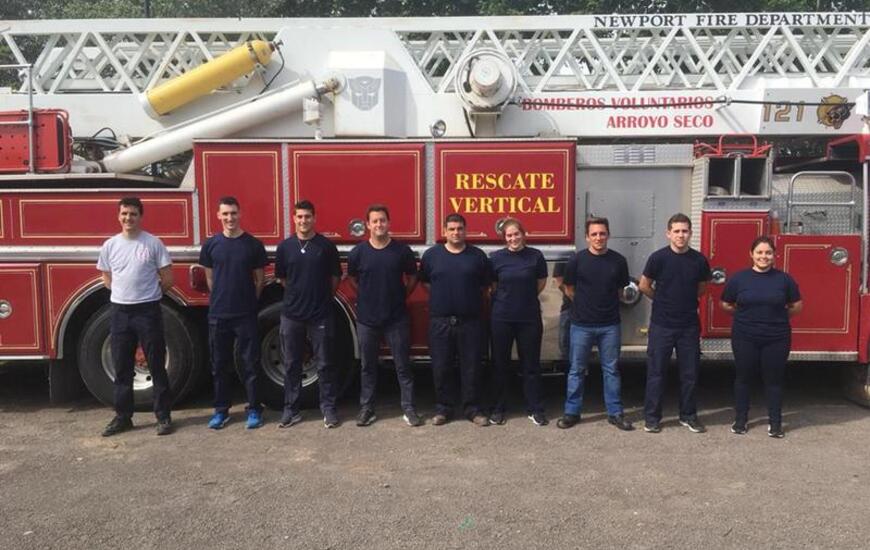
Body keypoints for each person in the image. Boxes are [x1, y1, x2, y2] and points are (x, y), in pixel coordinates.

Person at [97, 197, 174, 437]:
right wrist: (123, 295)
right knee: (122, 367)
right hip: (120, 312)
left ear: (141, 216)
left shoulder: (153, 244)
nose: (128, 218)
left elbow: (168, 279)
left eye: (133, 214)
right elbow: (106, 277)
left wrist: (148, 296)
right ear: (118, 216)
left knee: (156, 365)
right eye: (124, 214)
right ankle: (123, 416)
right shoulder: (110, 245)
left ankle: (163, 416)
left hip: (148, 311)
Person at [347, 204, 422, 427]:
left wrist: (400, 295)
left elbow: (412, 276)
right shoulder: (358, 252)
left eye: (383, 220)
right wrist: (366, 296)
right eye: (375, 221)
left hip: (396, 318)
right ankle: (367, 409)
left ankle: (409, 408)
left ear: (389, 223)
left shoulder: (401, 251)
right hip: (367, 320)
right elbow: (351, 278)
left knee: (403, 366)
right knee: (368, 366)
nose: (379, 224)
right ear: (368, 224)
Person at [557, 217, 634, 431]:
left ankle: (615, 413)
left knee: (611, 370)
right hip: (581, 324)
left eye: (602, 233)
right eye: (594, 234)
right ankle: (572, 412)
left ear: (608, 235)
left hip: (610, 325)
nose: (598, 238)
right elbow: (569, 289)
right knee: (576, 370)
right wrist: (584, 306)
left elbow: (620, 291)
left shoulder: (618, 261)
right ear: (587, 237)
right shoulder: (577, 261)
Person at [721, 236, 802, 438]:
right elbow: (726, 303)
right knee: (743, 378)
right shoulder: (739, 279)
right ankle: (740, 420)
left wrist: (776, 319)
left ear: (774, 255)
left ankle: (775, 423)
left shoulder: (784, 280)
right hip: (744, 336)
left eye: (767, 253)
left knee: (773, 380)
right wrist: (744, 317)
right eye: (759, 252)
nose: (763, 256)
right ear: (751, 254)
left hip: (777, 337)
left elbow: (796, 306)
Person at [198, 196, 267, 430]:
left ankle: (255, 409)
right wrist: (222, 298)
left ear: (240, 214)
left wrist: (247, 301)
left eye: (233, 213)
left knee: (250, 364)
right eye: (225, 214)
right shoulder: (211, 245)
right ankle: (221, 410)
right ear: (218, 216)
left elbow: (260, 280)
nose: (230, 218)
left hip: (245, 314)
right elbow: (210, 278)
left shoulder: (253, 245)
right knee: (219, 365)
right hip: (218, 315)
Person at [639, 213, 711, 434]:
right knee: (656, 373)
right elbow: (644, 285)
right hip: (662, 325)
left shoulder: (699, 260)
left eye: (685, 231)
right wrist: (662, 300)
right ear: (668, 233)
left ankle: (688, 416)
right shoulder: (657, 258)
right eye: (677, 231)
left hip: (688, 325)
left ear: (690, 233)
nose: (681, 235)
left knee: (689, 374)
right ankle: (652, 418)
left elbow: (702, 287)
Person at [275, 200, 342, 428]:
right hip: (292, 315)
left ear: (314, 218)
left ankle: (328, 409)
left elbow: (335, 277)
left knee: (325, 364)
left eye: (308, 216)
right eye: (300, 217)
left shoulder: (325, 246)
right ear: (294, 219)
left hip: (320, 314)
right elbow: (282, 278)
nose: (304, 221)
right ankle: (291, 410)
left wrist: (321, 298)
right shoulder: (285, 247)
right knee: (292, 364)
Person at [419, 213, 491, 426]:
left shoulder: (477, 256)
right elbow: (426, 283)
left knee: (472, 367)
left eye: (459, 228)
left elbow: (485, 286)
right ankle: (444, 409)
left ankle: (472, 409)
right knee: (441, 367)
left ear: (465, 230)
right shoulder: (432, 256)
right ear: (444, 231)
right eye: (451, 229)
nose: (456, 232)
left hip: (471, 321)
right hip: (440, 321)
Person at [488, 218, 549, 426]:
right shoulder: (496, 258)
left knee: (531, 365)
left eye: (516, 234)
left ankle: (535, 408)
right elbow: (493, 286)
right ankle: (498, 408)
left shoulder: (535, 257)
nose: (513, 238)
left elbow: (540, 283)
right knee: (499, 365)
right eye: (509, 235)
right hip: (501, 318)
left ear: (524, 234)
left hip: (529, 318)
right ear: (504, 238)